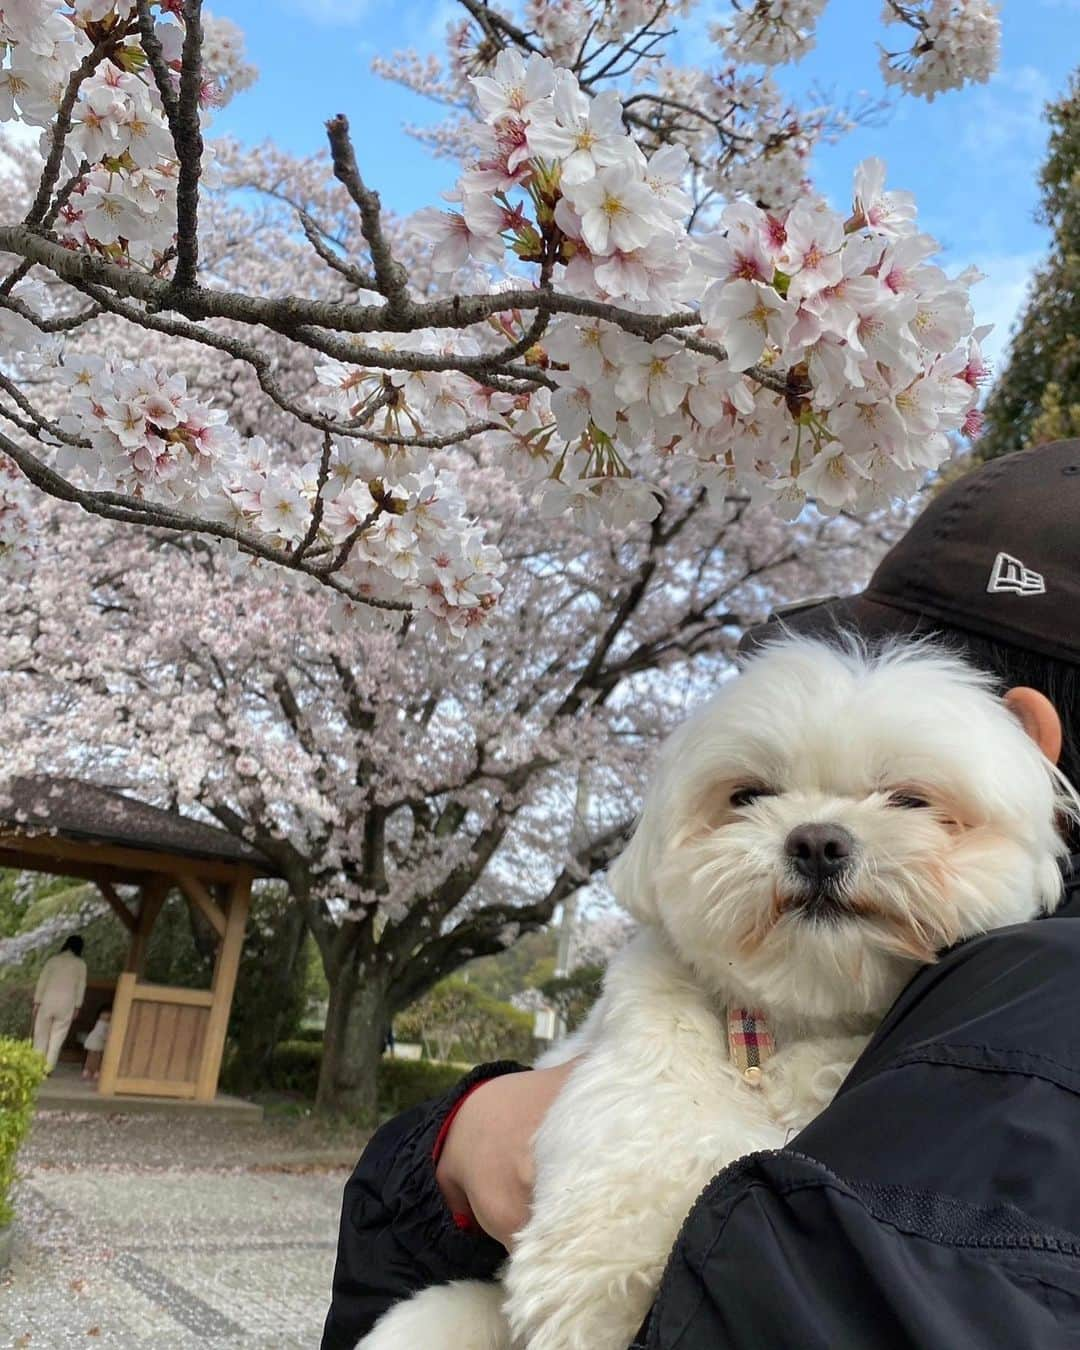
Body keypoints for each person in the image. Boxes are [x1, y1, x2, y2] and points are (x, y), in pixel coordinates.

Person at [322, 438, 1080, 1350]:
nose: (819, 838)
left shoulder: (1023, 1036)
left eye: (911, 802)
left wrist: (441, 1150)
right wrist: (449, 1146)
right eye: (750, 798)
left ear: (1034, 755)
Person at [32, 934, 87, 1074]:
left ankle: (35, 1066)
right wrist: (78, 1006)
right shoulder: (81, 965)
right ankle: (48, 1068)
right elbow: (81, 987)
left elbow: (42, 982)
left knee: (41, 1035)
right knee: (58, 1036)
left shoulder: (53, 961)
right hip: (67, 1003)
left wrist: (37, 1001)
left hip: (47, 1001)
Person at [81, 1004, 111, 1081]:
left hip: (98, 1043)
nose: (106, 1015)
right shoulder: (100, 1023)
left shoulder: (107, 1023)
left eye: (108, 1013)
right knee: (93, 1057)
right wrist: (107, 1038)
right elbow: (100, 1033)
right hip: (95, 1042)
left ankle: (93, 1071)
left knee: (97, 1057)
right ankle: (89, 1070)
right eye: (104, 1013)